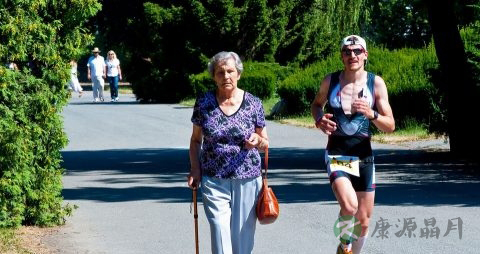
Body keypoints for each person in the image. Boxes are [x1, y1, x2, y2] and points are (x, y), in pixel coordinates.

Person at [311, 35, 395, 254]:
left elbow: (390, 125)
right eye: (347, 52)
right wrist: (319, 119)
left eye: (357, 51)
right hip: (338, 155)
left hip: (364, 157)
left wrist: (372, 113)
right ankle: (345, 243)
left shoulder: (375, 83)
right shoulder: (330, 81)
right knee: (349, 206)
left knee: (364, 221)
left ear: (365, 55)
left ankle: (348, 251)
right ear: (341, 56)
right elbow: (317, 104)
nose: (352, 56)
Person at [187, 51, 269, 254]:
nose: (226, 77)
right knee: (219, 230)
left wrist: (258, 140)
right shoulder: (204, 103)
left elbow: (265, 142)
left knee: (243, 238)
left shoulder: (253, 103)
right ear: (214, 76)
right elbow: (196, 140)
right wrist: (195, 169)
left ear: (238, 74)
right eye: (220, 72)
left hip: (247, 178)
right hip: (214, 178)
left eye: (230, 71)